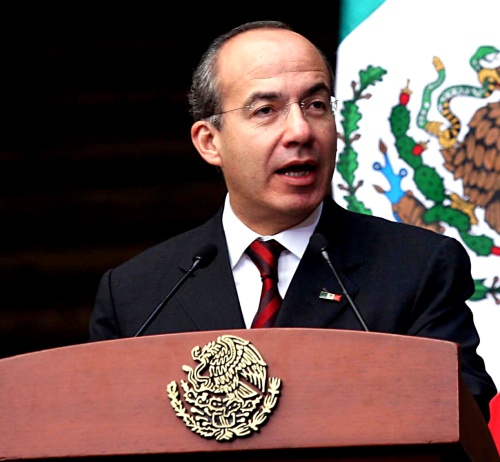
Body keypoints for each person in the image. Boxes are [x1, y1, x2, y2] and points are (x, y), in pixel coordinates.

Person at [89, 20, 497, 421]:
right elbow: (99, 427)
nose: (301, 131)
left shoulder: (417, 269)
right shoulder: (136, 294)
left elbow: (460, 414)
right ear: (210, 142)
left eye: (316, 105)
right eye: (266, 110)